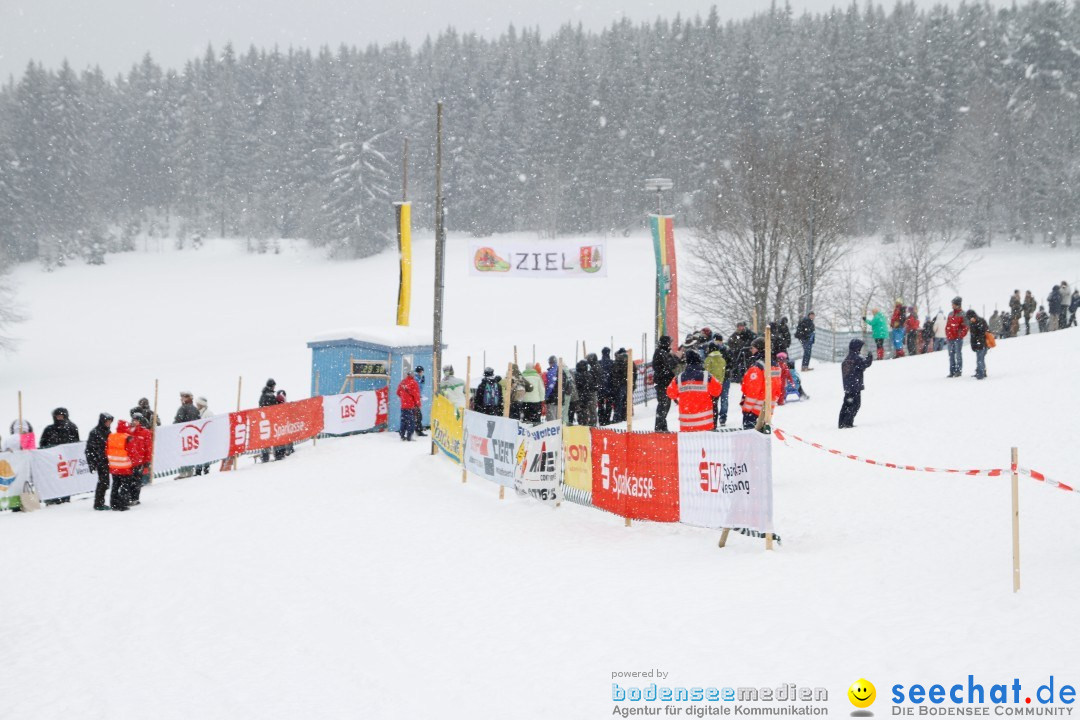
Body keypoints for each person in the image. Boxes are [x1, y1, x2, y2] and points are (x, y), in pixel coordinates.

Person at [665, 350, 722, 432]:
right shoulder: (707, 377)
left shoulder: (679, 378)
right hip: (705, 425)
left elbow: (670, 393)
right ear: (699, 361)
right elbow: (717, 391)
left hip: (686, 426)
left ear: (687, 362)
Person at [739, 338, 782, 430]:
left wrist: (746, 410)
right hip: (767, 409)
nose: (751, 350)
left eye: (753, 347)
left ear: (759, 349)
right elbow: (777, 389)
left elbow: (753, 391)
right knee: (762, 437)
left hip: (753, 410)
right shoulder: (775, 366)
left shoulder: (757, 367)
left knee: (750, 438)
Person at [40, 407, 80, 504]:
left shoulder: (72, 427)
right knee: (53, 479)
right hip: (52, 460)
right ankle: (52, 498)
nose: (59, 418)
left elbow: (76, 443)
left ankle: (65, 497)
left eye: (61, 416)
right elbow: (42, 443)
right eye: (57, 416)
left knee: (66, 479)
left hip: (66, 460)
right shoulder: (49, 429)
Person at [839, 339, 873, 429]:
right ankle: (847, 422)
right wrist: (870, 357)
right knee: (855, 404)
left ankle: (841, 422)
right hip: (855, 387)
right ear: (857, 348)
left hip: (848, 387)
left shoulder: (847, 359)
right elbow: (865, 364)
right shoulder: (856, 358)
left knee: (846, 404)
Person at [85, 413, 114, 511]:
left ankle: (100, 502)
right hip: (100, 461)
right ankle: (98, 503)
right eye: (107, 421)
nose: (108, 423)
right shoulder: (95, 432)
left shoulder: (108, 431)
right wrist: (92, 463)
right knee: (103, 482)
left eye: (110, 421)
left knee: (105, 482)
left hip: (107, 460)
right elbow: (89, 449)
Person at [652, 335, 679, 432]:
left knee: (665, 405)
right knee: (663, 405)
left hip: (664, 383)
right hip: (662, 383)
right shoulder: (661, 353)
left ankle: (662, 426)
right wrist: (676, 357)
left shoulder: (662, 352)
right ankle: (659, 427)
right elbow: (671, 364)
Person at [107, 420, 135, 511]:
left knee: (115, 484)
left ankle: (113, 503)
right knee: (125, 485)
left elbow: (106, 449)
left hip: (113, 465)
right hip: (124, 466)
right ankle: (122, 503)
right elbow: (131, 452)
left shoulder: (111, 436)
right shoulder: (127, 437)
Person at [127, 414, 153, 504]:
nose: (134, 422)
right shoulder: (128, 431)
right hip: (128, 461)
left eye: (137, 420)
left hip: (139, 462)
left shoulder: (145, 432)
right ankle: (128, 497)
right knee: (128, 481)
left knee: (137, 481)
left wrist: (146, 462)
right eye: (133, 420)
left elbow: (148, 448)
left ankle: (135, 498)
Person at [174, 392, 200, 477]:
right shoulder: (195, 409)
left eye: (183, 397)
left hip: (183, 434)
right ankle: (189, 472)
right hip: (193, 434)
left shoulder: (183, 408)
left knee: (183, 453)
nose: (181, 399)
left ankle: (183, 473)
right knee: (190, 453)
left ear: (187, 398)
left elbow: (178, 421)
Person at [704, 342, 728, 426]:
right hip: (719, 385)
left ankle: (710, 423)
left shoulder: (708, 359)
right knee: (715, 405)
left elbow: (706, 373)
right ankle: (715, 423)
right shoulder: (722, 360)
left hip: (709, 386)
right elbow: (723, 373)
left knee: (709, 405)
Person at [945, 297, 968, 378]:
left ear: (957, 305)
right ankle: (952, 371)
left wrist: (960, 335)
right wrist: (947, 334)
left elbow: (965, 327)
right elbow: (947, 325)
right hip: (950, 338)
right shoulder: (950, 314)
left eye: (953, 304)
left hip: (958, 338)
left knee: (958, 354)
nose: (952, 305)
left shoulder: (963, 314)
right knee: (951, 355)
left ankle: (958, 371)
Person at [396, 370, 422, 441]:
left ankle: (402, 435)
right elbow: (416, 395)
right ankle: (409, 436)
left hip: (403, 406)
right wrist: (418, 404)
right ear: (412, 375)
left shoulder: (403, 382)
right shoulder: (414, 383)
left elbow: (398, 392)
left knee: (403, 420)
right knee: (411, 421)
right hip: (411, 406)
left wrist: (404, 398)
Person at [612, 348, 635, 424]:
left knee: (619, 402)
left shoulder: (617, 361)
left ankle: (617, 418)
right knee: (627, 401)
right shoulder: (630, 361)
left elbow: (614, 374)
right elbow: (634, 373)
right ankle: (625, 416)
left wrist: (616, 384)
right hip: (628, 384)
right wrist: (632, 383)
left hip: (620, 385)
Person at [258, 379, 279, 463]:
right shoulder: (270, 395)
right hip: (270, 419)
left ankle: (265, 456)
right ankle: (277, 454)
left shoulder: (263, 395)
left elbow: (260, 405)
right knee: (273, 436)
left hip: (264, 420)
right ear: (272, 386)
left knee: (266, 438)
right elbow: (274, 407)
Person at [574, 359, 598, 427]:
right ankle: (590, 424)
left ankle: (583, 425)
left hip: (580, 395)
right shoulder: (588, 374)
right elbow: (591, 385)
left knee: (581, 411)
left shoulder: (578, 375)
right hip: (588, 394)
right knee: (589, 410)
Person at [966, 310, 989, 380]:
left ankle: (980, 374)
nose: (970, 319)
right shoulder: (974, 322)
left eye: (970, 318)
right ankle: (982, 372)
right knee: (980, 358)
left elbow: (982, 333)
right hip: (980, 344)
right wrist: (973, 344)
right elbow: (973, 336)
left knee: (980, 359)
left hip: (982, 343)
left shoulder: (979, 322)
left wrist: (979, 341)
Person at [193, 397, 213, 476]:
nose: (196, 405)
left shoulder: (208, 413)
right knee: (199, 454)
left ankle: (206, 469)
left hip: (206, 437)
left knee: (205, 454)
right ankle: (198, 470)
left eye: (198, 404)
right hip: (199, 437)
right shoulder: (198, 413)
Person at [597, 347, 615, 425]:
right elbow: (614, 375)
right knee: (609, 404)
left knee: (600, 404)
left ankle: (601, 420)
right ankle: (607, 419)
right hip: (609, 386)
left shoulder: (598, 363)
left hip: (600, 387)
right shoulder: (612, 363)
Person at [411, 366, 428, 437]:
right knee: (418, 416)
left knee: (416, 416)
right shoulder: (416, 379)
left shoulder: (418, 378)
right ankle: (418, 430)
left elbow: (419, 389)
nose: (422, 373)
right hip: (414, 400)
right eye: (422, 372)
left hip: (415, 399)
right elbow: (417, 389)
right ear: (420, 371)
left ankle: (417, 429)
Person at [543, 356, 560, 421]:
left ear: (550, 363)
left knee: (551, 416)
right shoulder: (559, 370)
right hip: (558, 396)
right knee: (556, 415)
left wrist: (546, 396)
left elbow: (551, 386)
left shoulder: (552, 372)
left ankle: (552, 429)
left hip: (552, 397)